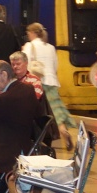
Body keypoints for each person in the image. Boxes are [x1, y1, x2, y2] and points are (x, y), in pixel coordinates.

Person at [22, 22, 76, 150]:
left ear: (32, 33)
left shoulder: (29, 46)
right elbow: (55, 66)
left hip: (37, 83)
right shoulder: (50, 47)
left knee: (39, 113)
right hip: (51, 82)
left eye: (28, 33)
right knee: (56, 110)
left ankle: (40, 136)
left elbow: (26, 64)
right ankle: (63, 129)